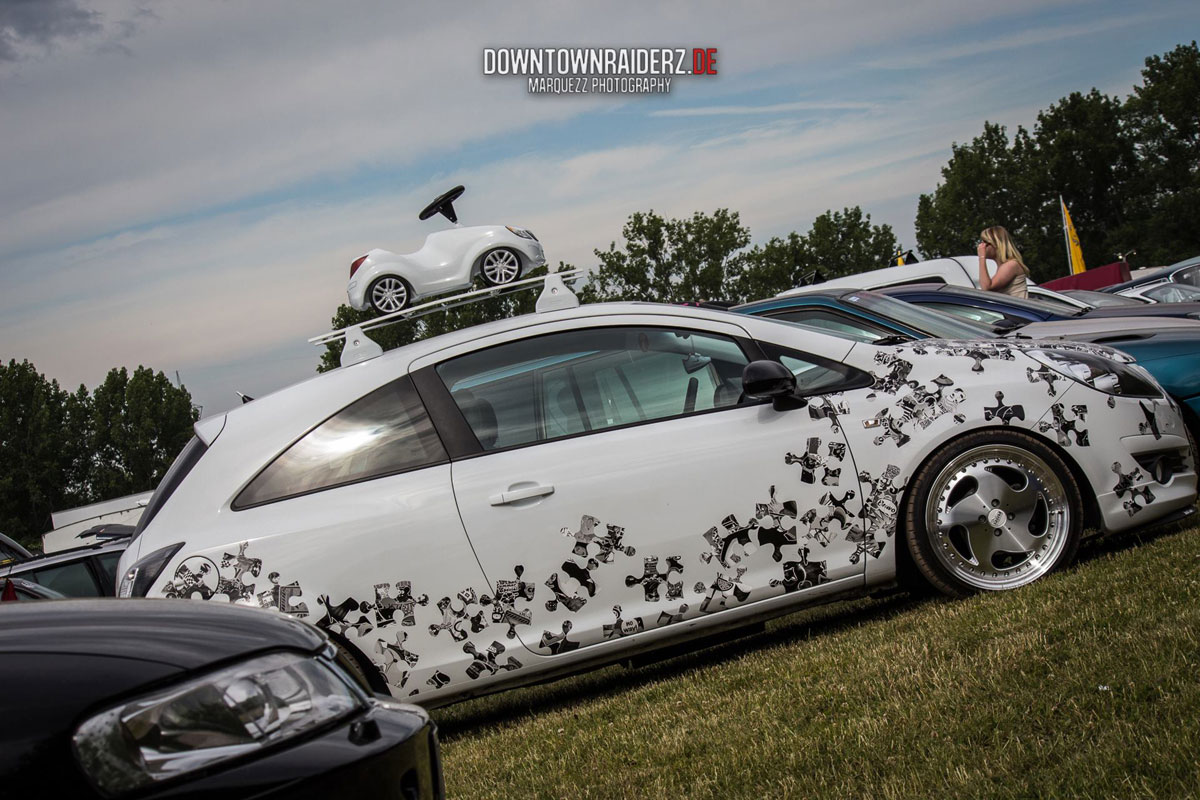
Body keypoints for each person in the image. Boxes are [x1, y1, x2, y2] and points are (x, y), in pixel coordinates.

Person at [976, 226, 1030, 298]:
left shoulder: (1011, 265)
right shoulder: (1004, 266)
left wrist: (981, 257)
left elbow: (986, 288)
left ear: (997, 244)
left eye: (985, 242)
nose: (981, 246)